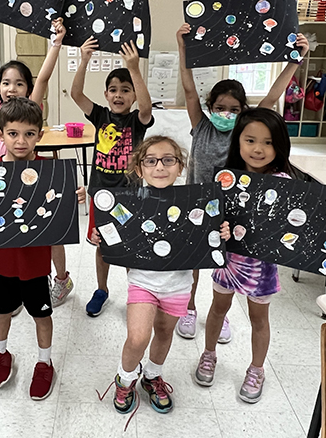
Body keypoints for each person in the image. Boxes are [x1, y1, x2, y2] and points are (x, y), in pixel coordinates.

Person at [194, 108, 326, 403]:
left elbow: (305, 220)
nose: (258, 149)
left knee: (260, 319)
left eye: (268, 142)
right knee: (217, 309)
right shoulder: (226, 178)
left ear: (280, 145)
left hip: (261, 267)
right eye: (250, 140)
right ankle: (209, 354)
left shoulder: (285, 181)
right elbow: (212, 216)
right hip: (229, 261)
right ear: (238, 143)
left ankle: (256, 369)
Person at [175, 24, 310, 341]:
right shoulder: (202, 126)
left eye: (234, 109)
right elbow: (190, 90)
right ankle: (190, 309)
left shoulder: (245, 132)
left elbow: (273, 96)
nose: (226, 113)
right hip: (198, 205)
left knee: (227, 265)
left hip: (234, 213)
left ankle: (219, 316)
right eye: (220, 108)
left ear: (244, 111)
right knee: (195, 261)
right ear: (211, 108)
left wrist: (295, 59)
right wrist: (183, 48)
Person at [92, 136, 229, 426]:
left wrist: (221, 234)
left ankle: (153, 375)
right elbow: (109, 234)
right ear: (139, 169)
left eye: (168, 160)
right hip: (142, 282)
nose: (160, 166)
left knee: (165, 334)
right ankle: (125, 377)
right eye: (151, 160)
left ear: (180, 167)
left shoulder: (195, 204)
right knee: (138, 337)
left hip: (178, 286)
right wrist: (98, 237)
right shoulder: (128, 203)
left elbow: (210, 236)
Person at [0, 8, 74, 308]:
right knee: (9, 238)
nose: (12, 88)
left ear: (28, 90)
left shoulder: (30, 107)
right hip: (1, 179)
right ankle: (15, 287)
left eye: (19, 83)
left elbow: (44, 75)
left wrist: (56, 42)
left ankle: (60, 278)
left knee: (50, 232)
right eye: (6, 82)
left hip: (32, 178)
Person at [0, 97, 86, 400]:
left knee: (41, 314)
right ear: (0, 134)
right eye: (13, 133)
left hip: (36, 263)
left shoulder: (51, 171)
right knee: (2, 311)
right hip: (1, 262)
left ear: (39, 136)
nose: (20, 140)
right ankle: (1, 353)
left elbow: (62, 208)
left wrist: (76, 195)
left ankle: (45, 362)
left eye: (29, 133)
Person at [71, 37, 154, 317]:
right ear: (106, 94)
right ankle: (102, 289)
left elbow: (146, 108)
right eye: (113, 90)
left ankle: (136, 291)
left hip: (130, 196)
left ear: (132, 95)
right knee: (102, 244)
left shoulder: (136, 121)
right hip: (101, 196)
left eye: (125, 90)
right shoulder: (100, 116)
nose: (119, 95)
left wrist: (134, 69)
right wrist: (84, 60)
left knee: (129, 244)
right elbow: (76, 94)